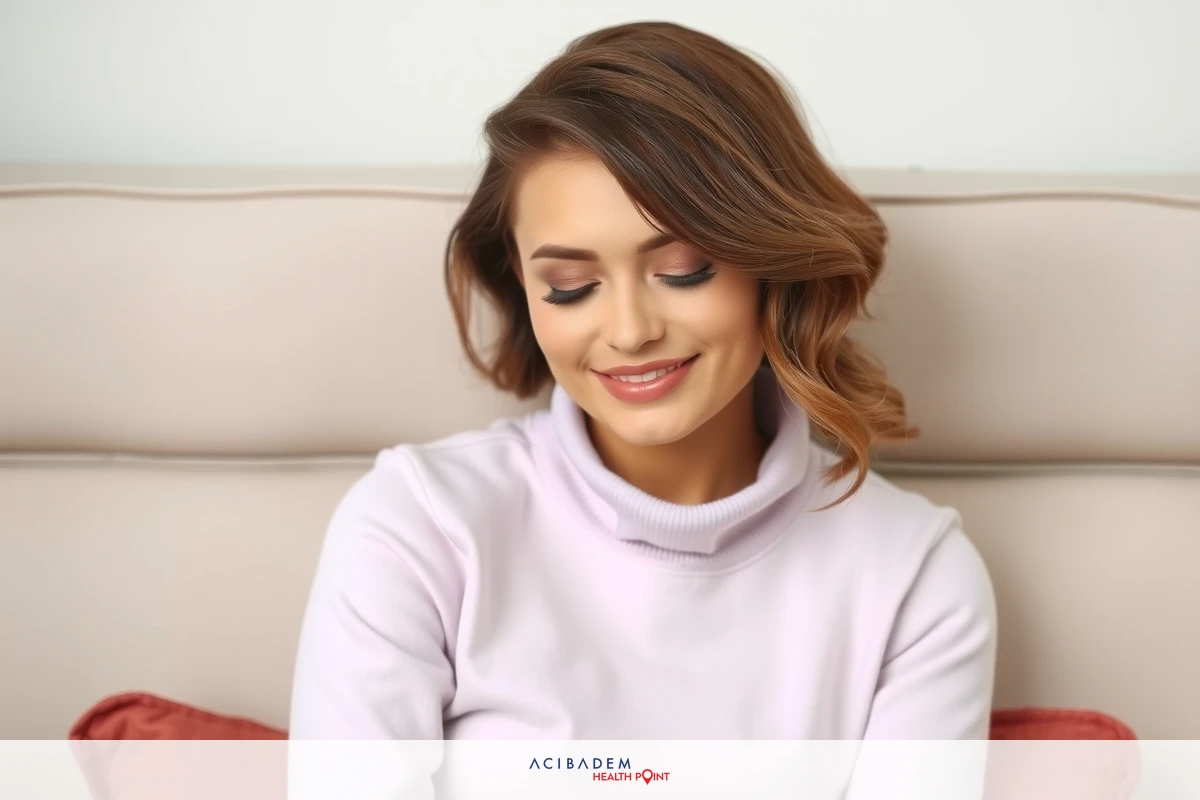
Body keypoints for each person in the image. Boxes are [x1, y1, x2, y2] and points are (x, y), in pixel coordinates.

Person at [289, 20, 996, 742]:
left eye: (683, 271)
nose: (629, 332)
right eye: (569, 286)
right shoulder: (418, 530)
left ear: (774, 266)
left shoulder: (915, 579)